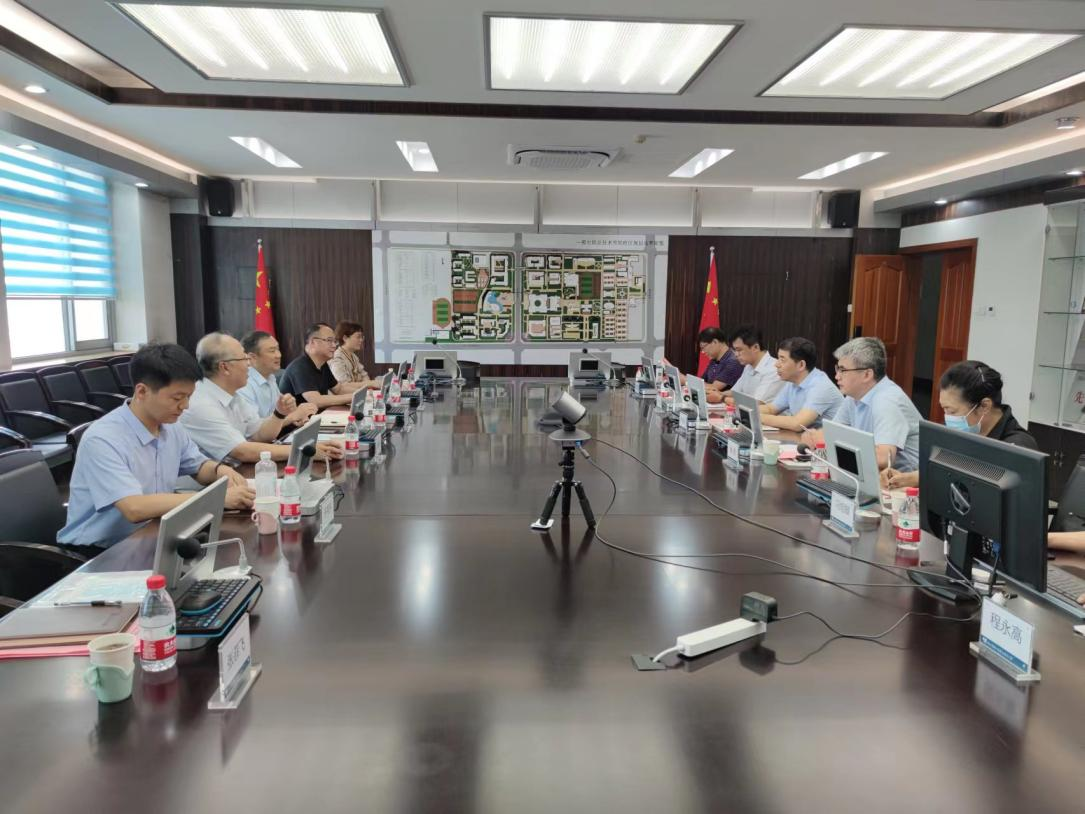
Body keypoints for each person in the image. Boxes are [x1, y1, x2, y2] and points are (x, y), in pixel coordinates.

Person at [57, 343, 255, 551]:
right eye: (177, 398)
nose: (185, 406)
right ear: (142, 391)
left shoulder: (170, 425)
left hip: (153, 534)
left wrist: (220, 470)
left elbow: (197, 466)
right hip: (100, 550)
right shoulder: (103, 439)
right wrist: (215, 499)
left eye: (189, 397)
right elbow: (134, 508)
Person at [180, 332, 343, 464]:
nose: (248, 364)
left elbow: (259, 434)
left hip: (237, 473)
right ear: (225, 367)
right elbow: (241, 451)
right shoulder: (201, 403)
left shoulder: (233, 395)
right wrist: (303, 449)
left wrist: (279, 414)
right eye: (244, 359)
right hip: (206, 488)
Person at [886, 360, 1036, 489]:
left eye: (952, 411)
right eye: (944, 410)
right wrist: (911, 478)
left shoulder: (1018, 448)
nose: (947, 419)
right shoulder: (964, 432)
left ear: (984, 406)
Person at [801, 336, 920, 476]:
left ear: (867, 374)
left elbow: (883, 459)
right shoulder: (853, 396)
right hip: (868, 475)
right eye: (837, 368)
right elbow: (831, 433)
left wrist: (830, 442)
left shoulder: (887, 400)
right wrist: (814, 436)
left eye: (843, 370)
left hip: (904, 483)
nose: (837, 376)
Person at [759, 337, 843, 431]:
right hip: (806, 437)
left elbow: (797, 424)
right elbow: (771, 409)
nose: (776, 364)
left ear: (801, 365)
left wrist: (758, 417)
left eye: (782, 360)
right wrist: (748, 411)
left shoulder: (821, 386)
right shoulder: (793, 381)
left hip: (828, 439)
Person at [237, 330, 316, 426]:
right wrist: (293, 416)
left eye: (278, 349)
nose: (279, 355)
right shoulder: (243, 385)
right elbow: (255, 430)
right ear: (252, 357)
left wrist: (298, 417)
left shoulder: (270, 376)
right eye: (272, 351)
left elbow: (280, 413)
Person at [277, 322, 354, 408]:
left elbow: (339, 389)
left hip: (318, 414)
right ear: (313, 342)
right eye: (329, 340)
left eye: (334, 341)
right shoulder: (300, 367)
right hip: (300, 416)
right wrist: (352, 397)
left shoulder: (322, 364)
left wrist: (361, 394)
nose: (334, 345)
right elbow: (316, 401)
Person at [726, 324, 783, 404]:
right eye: (734, 350)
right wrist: (718, 394)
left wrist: (722, 398)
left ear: (755, 347)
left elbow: (755, 403)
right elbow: (735, 392)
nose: (736, 354)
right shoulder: (748, 366)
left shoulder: (773, 369)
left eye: (739, 350)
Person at [328, 321, 377, 392]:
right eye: (358, 337)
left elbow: (364, 375)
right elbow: (343, 385)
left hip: (358, 394)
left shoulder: (353, 356)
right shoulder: (337, 358)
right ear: (345, 338)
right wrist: (369, 384)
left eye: (362, 337)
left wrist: (369, 386)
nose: (361, 340)